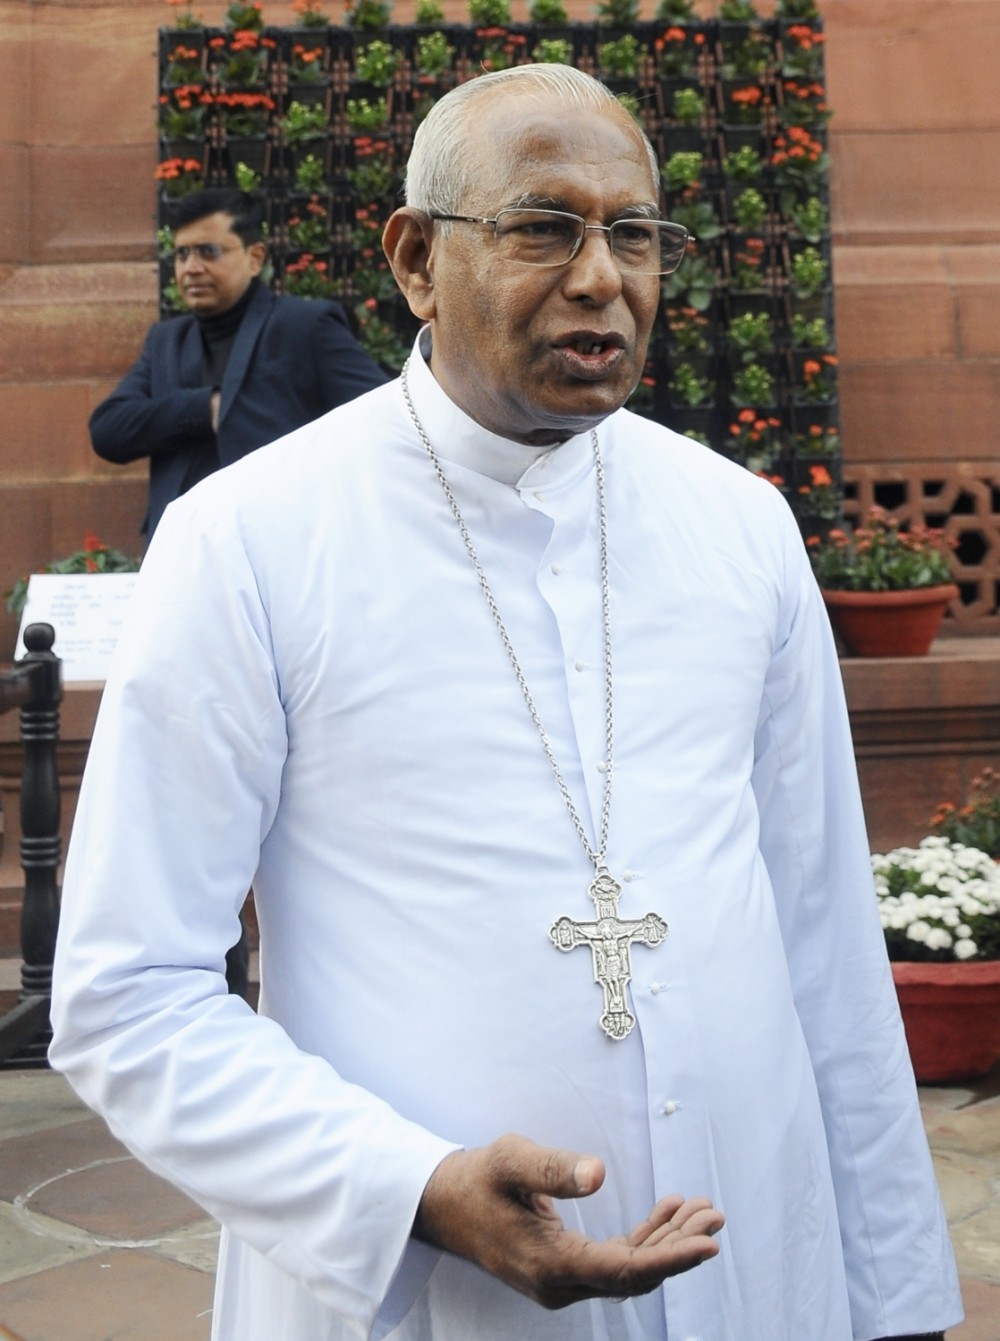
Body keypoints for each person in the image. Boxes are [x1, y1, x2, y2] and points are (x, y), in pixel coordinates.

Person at [50, 65, 962, 1341]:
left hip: (757, 1263)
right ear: (417, 262)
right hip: (428, 1298)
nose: (603, 276)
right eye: (544, 227)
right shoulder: (247, 541)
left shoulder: (740, 526)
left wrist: (895, 1295)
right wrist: (409, 1190)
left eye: (635, 233)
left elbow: (821, 939)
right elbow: (129, 991)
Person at [89, 187, 387, 542]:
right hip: (185, 549)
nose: (192, 267)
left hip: (284, 543)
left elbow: (380, 413)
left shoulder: (304, 325)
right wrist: (205, 409)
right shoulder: (165, 341)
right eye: (182, 254)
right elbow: (108, 430)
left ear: (255, 257)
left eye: (208, 251)